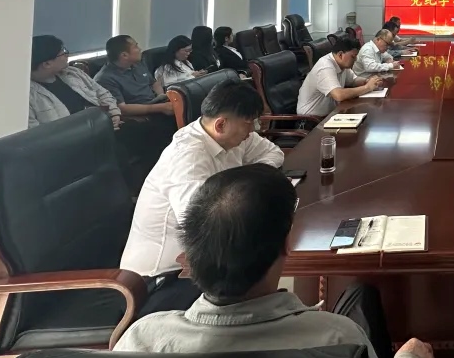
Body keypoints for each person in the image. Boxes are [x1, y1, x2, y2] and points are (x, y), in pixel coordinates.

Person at [115, 164, 433, 358]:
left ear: (191, 252)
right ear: (286, 245)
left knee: (359, 296)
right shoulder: (336, 339)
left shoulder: (141, 340)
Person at [120, 82, 284, 313]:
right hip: (162, 278)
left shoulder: (234, 135)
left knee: (268, 279)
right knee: (261, 294)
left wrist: (249, 179)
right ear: (221, 124)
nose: (253, 130)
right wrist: (246, 186)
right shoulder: (187, 156)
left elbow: (273, 153)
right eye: (250, 123)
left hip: (208, 260)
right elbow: (201, 225)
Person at [95, 34, 177, 185]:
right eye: (136, 46)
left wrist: (162, 97)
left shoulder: (138, 65)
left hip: (156, 105)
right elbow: (122, 109)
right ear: (124, 55)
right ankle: (157, 179)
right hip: (137, 116)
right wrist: (159, 107)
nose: (140, 49)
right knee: (163, 130)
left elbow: (154, 83)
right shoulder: (105, 78)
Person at [28, 34, 121, 129]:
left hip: (104, 126)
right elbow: (36, 133)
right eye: (63, 53)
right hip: (76, 136)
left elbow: (103, 94)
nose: (67, 55)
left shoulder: (73, 73)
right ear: (47, 64)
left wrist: (114, 113)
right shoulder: (28, 96)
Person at [296, 37, 383, 119]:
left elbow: (353, 80)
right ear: (340, 54)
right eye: (353, 56)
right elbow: (338, 95)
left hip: (330, 114)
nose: (356, 59)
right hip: (311, 120)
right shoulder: (325, 66)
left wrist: (368, 81)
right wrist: (367, 87)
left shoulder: (342, 64)